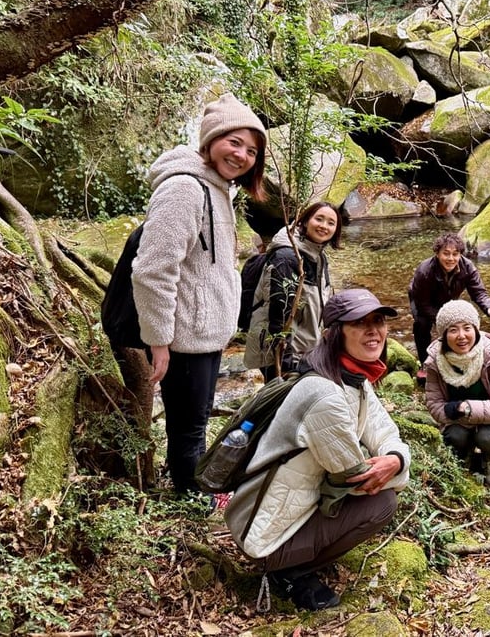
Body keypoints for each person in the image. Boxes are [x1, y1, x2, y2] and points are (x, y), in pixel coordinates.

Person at [225, 288, 410, 611]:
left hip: (283, 512)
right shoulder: (324, 396)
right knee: (381, 503)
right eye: (359, 323)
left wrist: (395, 459)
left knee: (380, 488)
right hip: (265, 534)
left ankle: (299, 557)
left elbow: (384, 431)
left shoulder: (352, 378)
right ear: (334, 334)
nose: (374, 331)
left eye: (378, 321)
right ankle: (287, 572)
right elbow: (354, 478)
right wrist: (391, 471)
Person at [132, 93, 267, 495]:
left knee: (195, 423)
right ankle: (191, 504)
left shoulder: (219, 189)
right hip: (183, 337)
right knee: (188, 430)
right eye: (234, 142)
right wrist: (159, 340)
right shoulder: (185, 189)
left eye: (251, 150)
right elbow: (153, 270)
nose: (242, 155)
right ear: (211, 139)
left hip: (204, 334)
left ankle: (193, 494)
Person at [424, 301, 490, 486]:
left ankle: (489, 456)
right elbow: (434, 405)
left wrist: (466, 408)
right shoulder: (435, 362)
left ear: (475, 330)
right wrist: (458, 412)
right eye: (453, 330)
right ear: (443, 335)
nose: (461, 336)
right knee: (455, 436)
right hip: (459, 421)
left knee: (486, 437)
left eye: (467, 328)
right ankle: (464, 454)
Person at [244, 201, 343, 380]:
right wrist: (285, 362)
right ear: (304, 221)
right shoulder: (287, 257)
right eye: (319, 219)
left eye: (331, 223)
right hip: (284, 355)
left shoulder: (318, 257)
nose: (324, 226)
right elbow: (278, 314)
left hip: (307, 351)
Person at [408, 233, 490, 381]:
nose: (451, 258)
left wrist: (489, 308)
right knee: (422, 324)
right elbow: (423, 304)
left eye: (455, 254)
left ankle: (454, 360)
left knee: (456, 327)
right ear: (437, 253)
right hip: (421, 299)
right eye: (446, 254)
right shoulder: (424, 271)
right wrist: (443, 320)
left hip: (447, 298)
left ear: (460, 254)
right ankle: (424, 363)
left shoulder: (468, 267)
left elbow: (478, 292)